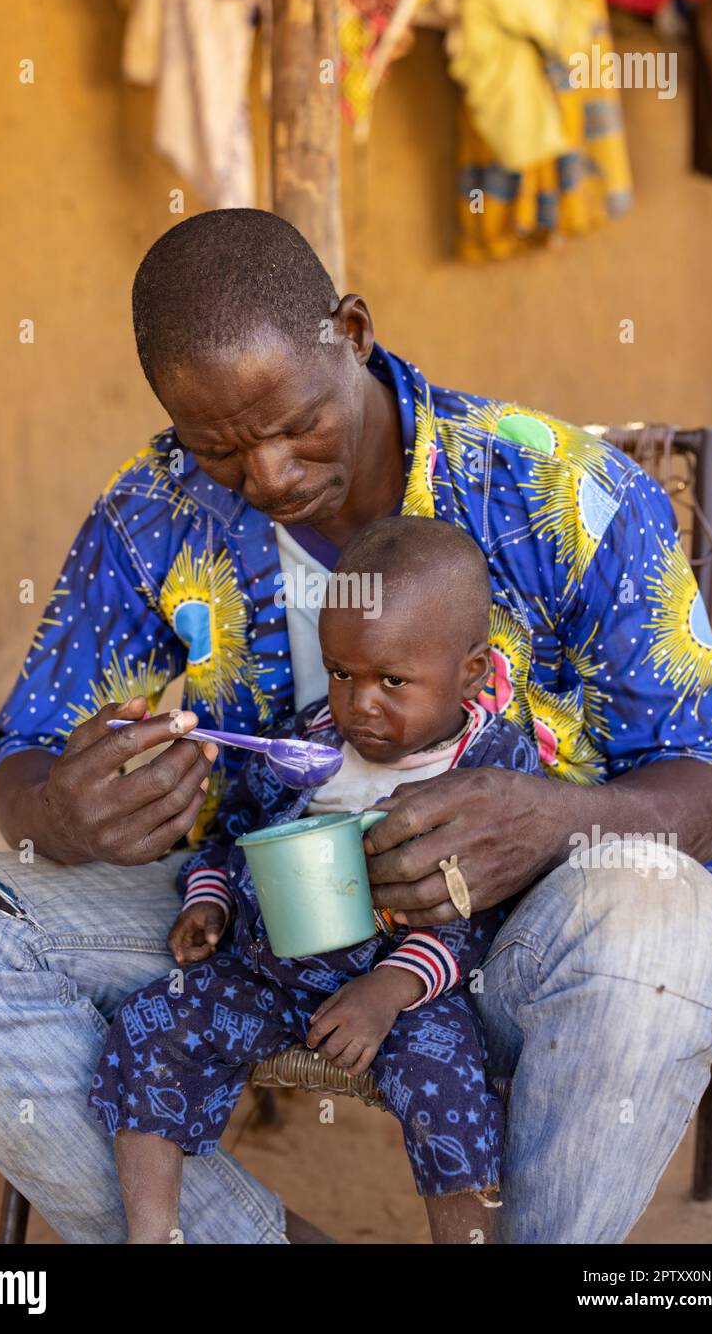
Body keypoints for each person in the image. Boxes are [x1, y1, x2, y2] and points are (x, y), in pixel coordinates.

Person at [0, 209, 712, 1244]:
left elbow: (705, 785)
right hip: (248, 935)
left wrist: (550, 822)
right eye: (219, 447)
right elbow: (28, 750)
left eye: (295, 423)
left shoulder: (563, 494)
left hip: (515, 941)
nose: (266, 476)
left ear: (351, 332)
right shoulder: (157, 514)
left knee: (665, 920)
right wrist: (59, 809)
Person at [90, 516, 543, 1244]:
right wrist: (210, 905)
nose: (359, 703)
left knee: (447, 1088)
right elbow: (235, 837)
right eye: (341, 673)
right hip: (267, 972)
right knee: (155, 1023)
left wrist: (385, 993)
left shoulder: (489, 772)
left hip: (405, 994)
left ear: (471, 672)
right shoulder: (306, 740)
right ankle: (153, 1233)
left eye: (393, 681)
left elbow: (481, 917)